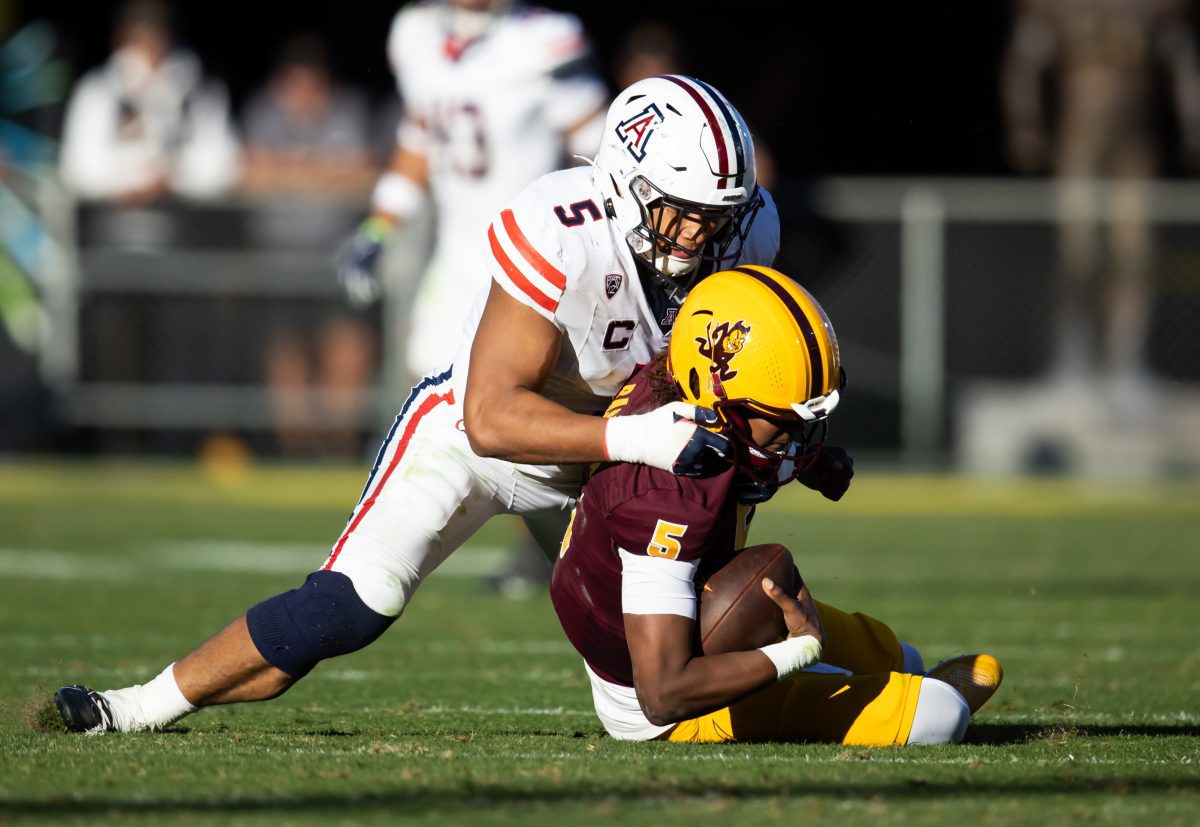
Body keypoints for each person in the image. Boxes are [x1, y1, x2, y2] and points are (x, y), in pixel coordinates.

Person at [52, 74, 832, 735]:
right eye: (681, 208)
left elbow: (728, 370)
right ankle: (133, 707)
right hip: (479, 440)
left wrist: (792, 443)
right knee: (349, 606)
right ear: (626, 185)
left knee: (703, 609)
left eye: (717, 211)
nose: (701, 233)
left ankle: (862, 675)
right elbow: (493, 416)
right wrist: (639, 440)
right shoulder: (563, 229)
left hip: (613, 456)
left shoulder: (744, 230)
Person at [551, 265, 1004, 744]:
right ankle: (830, 676)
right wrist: (799, 651)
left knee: (896, 657)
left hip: (701, 595)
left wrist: (804, 462)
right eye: (783, 424)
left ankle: (864, 676)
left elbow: (748, 435)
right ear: (714, 397)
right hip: (662, 700)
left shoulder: (683, 388)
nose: (793, 441)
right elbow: (663, 694)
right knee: (938, 714)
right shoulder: (666, 496)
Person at [336, 0, 611, 594]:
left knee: (529, 397)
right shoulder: (413, 34)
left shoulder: (543, 39)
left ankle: (556, 549)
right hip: (458, 255)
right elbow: (420, 132)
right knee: (433, 397)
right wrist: (380, 225)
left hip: (532, 255)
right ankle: (398, 539)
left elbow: (602, 146)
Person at [1001, 0, 1200, 396]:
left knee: (1134, 252)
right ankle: (1072, 359)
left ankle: (1125, 362)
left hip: (1134, 141)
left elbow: (1183, 66)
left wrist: (1192, 126)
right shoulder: (1059, 10)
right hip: (1080, 140)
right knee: (1078, 251)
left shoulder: (1150, 10)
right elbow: (1023, 64)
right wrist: (1025, 124)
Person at [240, 33, 380, 458]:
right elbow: (250, 177)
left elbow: (368, 174)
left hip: (338, 256)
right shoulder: (263, 110)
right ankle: (296, 447)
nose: (306, 89)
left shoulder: (348, 109)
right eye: (297, 79)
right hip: (279, 255)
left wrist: (290, 169)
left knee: (347, 342)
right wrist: (324, 173)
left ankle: (337, 444)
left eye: (314, 79)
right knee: (285, 348)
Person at [57, 0, 240, 204]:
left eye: (157, 37)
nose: (149, 48)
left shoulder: (202, 88)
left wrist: (171, 177)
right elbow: (78, 170)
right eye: (138, 38)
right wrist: (132, 180)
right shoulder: (96, 91)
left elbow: (222, 167)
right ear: (119, 39)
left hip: (187, 221)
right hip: (110, 223)